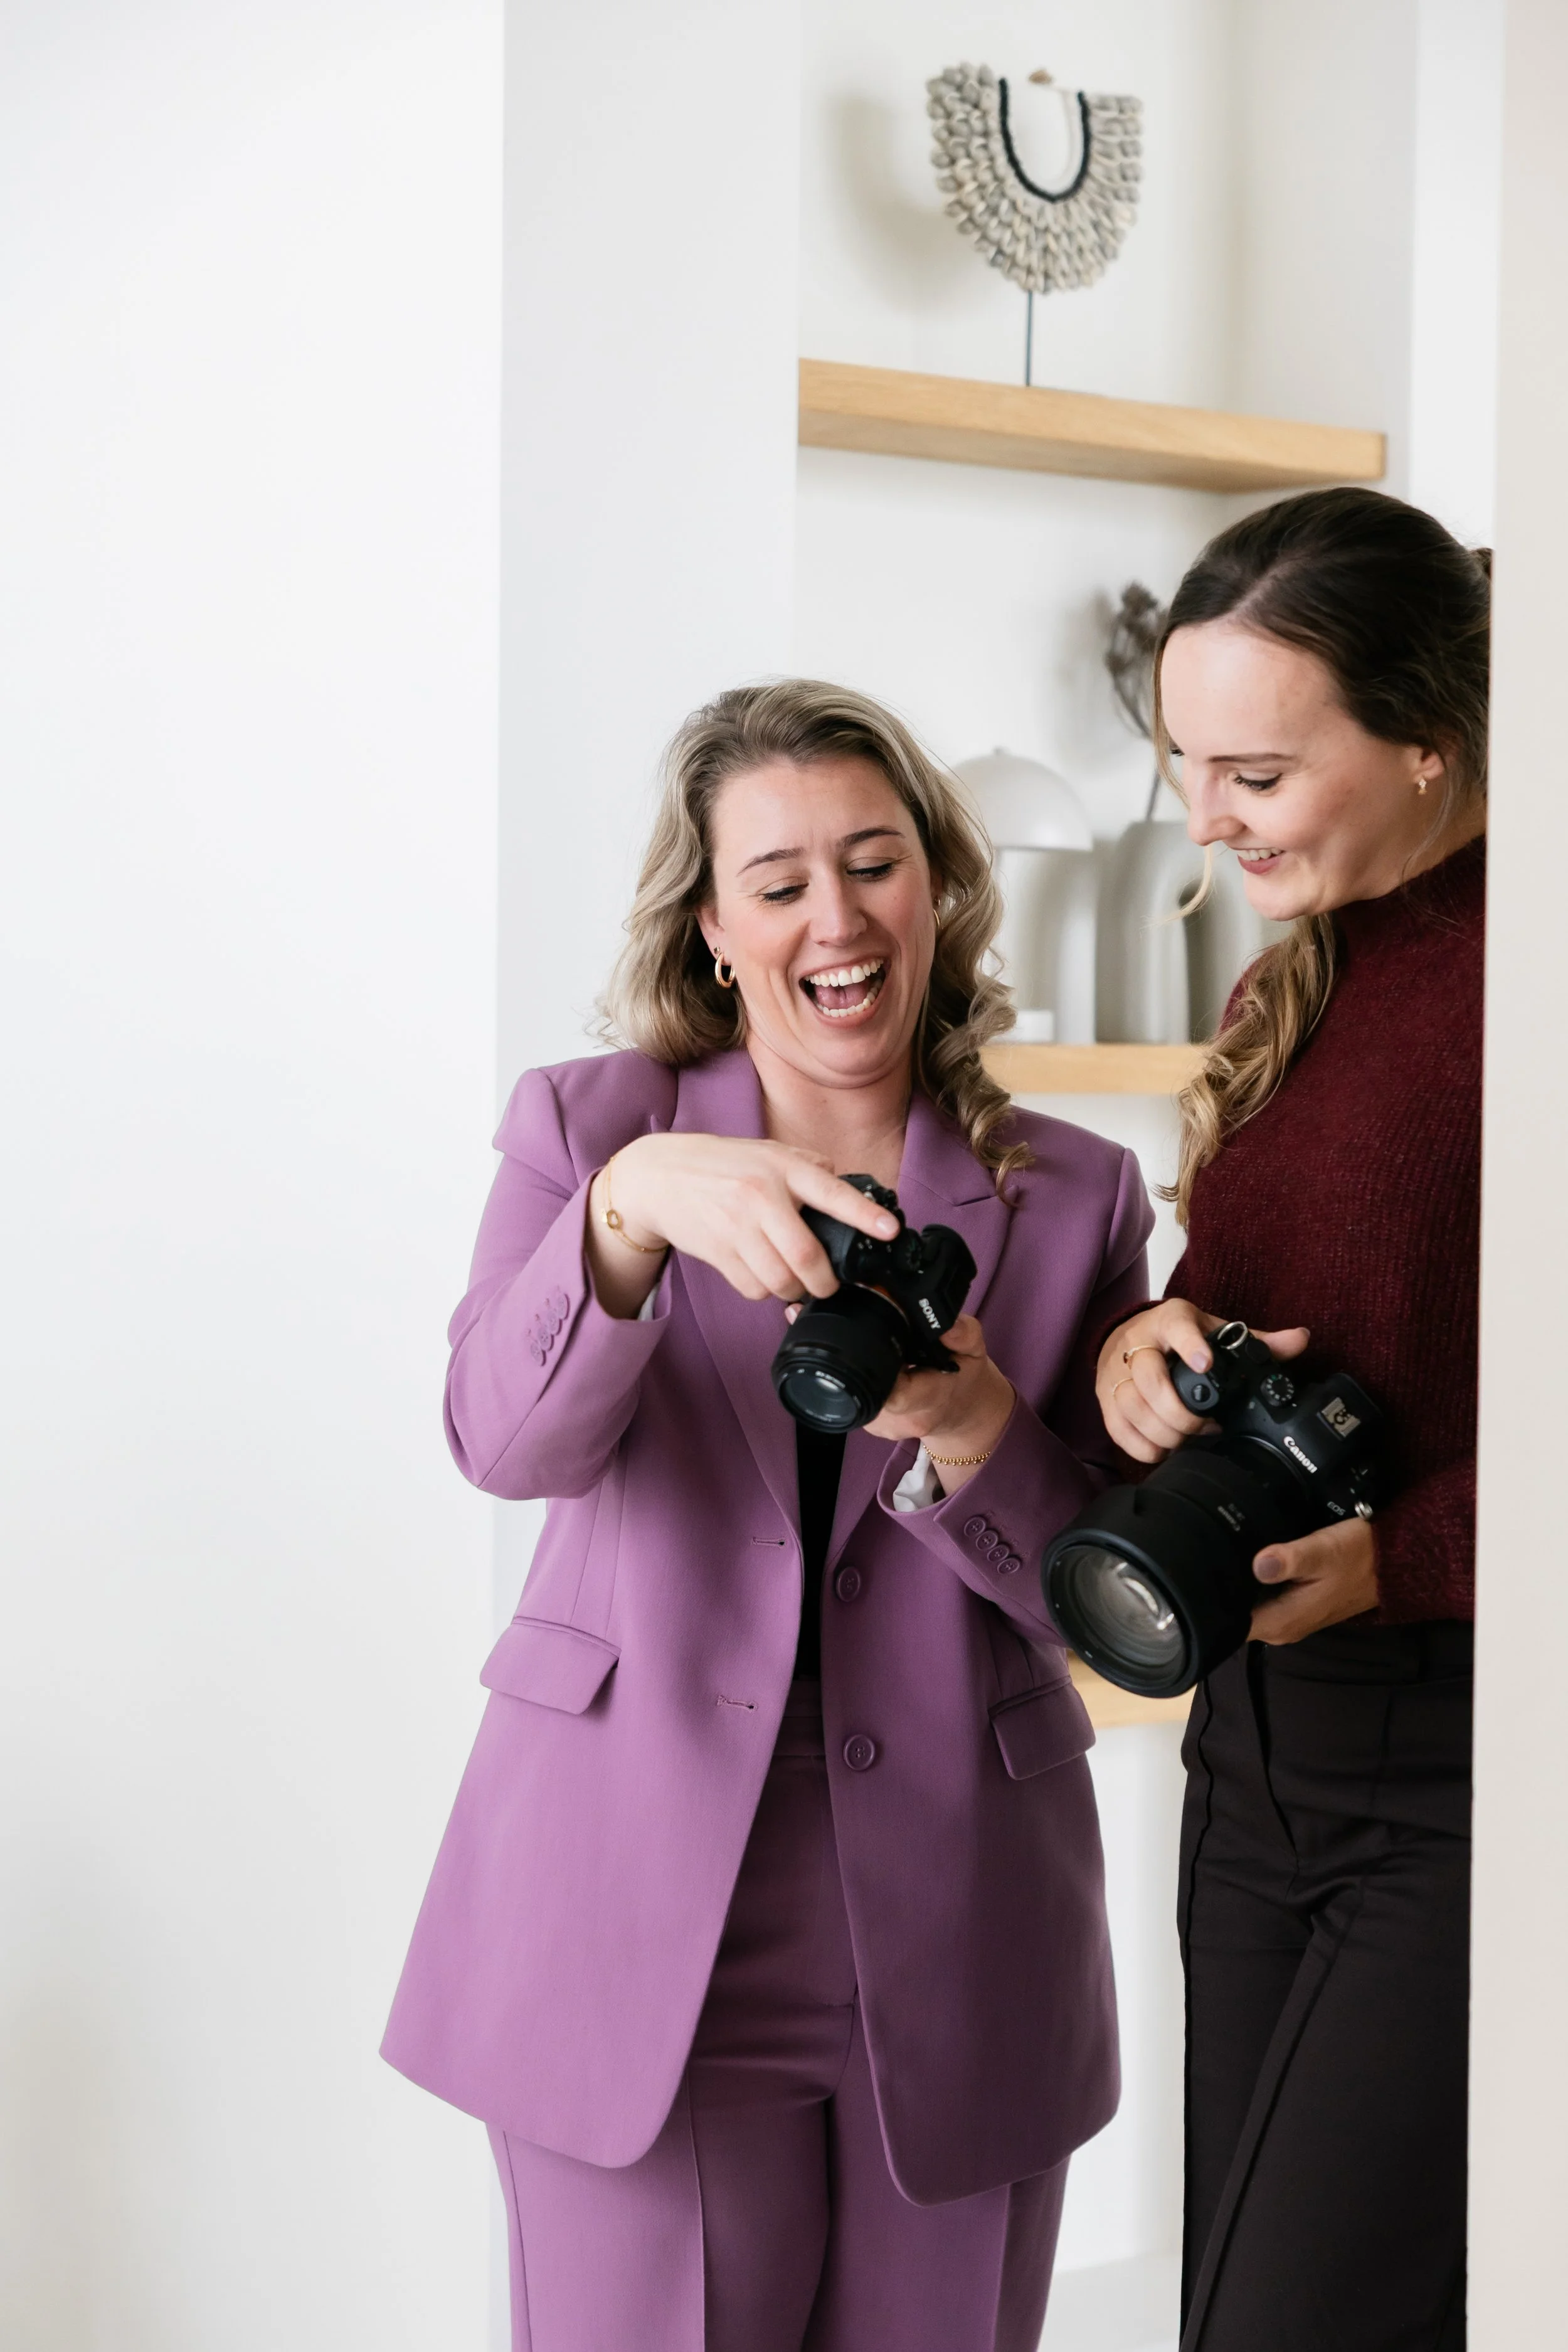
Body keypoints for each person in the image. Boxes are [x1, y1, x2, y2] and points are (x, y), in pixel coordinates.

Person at [383, 680, 1155, 2352]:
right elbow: (500, 1445)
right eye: (780, 879)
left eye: (873, 862)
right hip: (635, 1907)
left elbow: (1093, 1595)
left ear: (938, 889)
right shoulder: (590, 1130)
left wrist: (971, 1423)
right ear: (715, 928)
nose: (836, 916)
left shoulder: (1071, 1191)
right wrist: (620, 1221)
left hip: (958, 1923)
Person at [1097, 488, 1488, 2352]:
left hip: (1464, 1778)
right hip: (1247, 1758)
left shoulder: (1534, 976)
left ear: (1428, 736)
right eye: (1182, 759)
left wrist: (1405, 1553)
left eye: (1254, 766)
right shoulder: (1292, 967)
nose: (1205, 815)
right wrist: (1144, 1352)